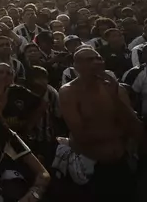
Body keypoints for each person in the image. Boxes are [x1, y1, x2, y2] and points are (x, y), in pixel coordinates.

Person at [58, 46, 143, 201]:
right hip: (91, 169)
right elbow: (82, 135)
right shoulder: (69, 92)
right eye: (89, 59)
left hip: (121, 165)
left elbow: (136, 128)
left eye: (98, 58)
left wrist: (114, 97)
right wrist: (120, 132)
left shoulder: (114, 88)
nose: (96, 62)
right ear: (76, 66)